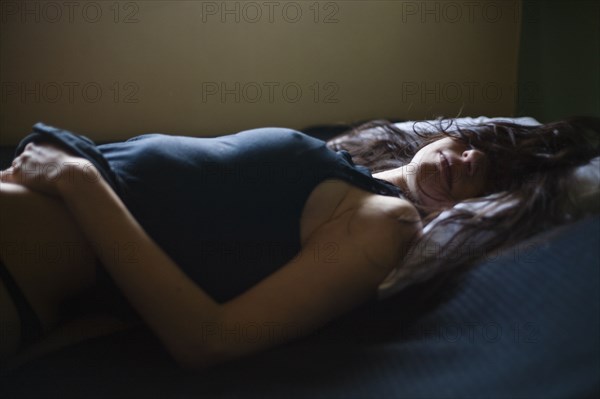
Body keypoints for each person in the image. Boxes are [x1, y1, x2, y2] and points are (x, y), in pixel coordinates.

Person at [0, 116, 598, 371]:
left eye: (487, 175)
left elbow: (209, 339)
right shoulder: (345, 160)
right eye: (468, 145)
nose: (465, 162)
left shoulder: (385, 224)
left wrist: (79, 180)